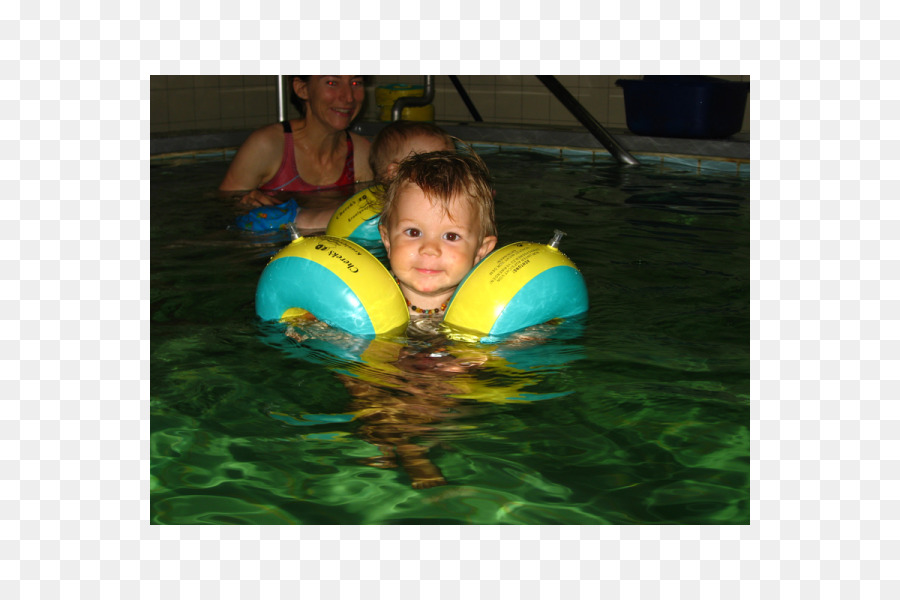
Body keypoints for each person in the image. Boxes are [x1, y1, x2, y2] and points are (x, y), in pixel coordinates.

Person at [222, 75, 374, 230]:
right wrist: (243, 204)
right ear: (302, 89)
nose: (348, 97)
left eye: (356, 83)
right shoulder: (267, 145)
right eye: (331, 83)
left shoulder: (361, 152)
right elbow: (222, 212)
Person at [379, 150, 498, 317]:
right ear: (388, 240)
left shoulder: (490, 307)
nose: (429, 249)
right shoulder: (368, 295)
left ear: (481, 250)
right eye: (413, 232)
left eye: (451, 236)